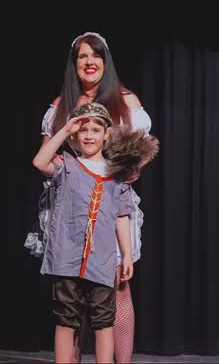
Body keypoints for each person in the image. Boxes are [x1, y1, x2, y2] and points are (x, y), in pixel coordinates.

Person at [39, 32, 152, 364]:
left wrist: (127, 169)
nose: (89, 62)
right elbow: (45, 151)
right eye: (82, 57)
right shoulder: (62, 105)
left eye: (96, 56)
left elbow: (142, 150)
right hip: (70, 206)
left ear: (106, 61)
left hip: (108, 204)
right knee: (71, 291)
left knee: (116, 287)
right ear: (74, 64)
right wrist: (60, 162)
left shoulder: (124, 100)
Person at [33, 104, 135, 364]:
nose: (89, 135)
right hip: (66, 258)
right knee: (66, 319)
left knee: (103, 321)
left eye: (96, 130)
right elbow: (39, 162)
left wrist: (126, 255)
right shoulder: (66, 165)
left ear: (106, 134)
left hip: (102, 259)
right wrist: (66, 128)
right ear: (75, 135)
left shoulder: (116, 175)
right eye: (84, 130)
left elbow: (122, 216)